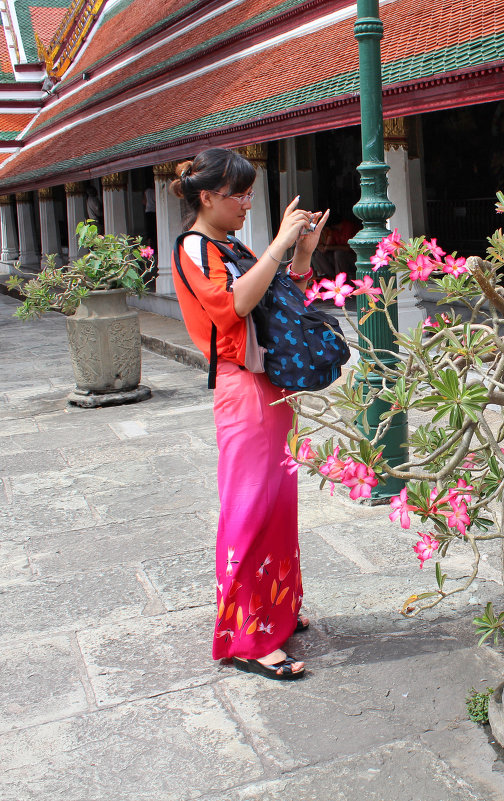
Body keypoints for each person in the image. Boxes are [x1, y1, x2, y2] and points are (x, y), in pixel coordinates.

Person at [170, 148, 327, 680]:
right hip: (242, 388)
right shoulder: (194, 247)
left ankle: (277, 611)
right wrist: (279, 244)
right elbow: (232, 306)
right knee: (250, 508)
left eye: (248, 194)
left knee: (279, 504)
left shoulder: (230, 244)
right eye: (238, 195)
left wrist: (299, 255)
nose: (245, 204)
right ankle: (246, 636)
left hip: (269, 384)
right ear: (207, 196)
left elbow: (278, 304)